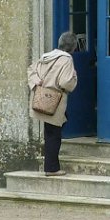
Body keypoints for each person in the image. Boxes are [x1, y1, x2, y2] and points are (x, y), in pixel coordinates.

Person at [28, 31, 80, 175]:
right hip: (55, 100)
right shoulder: (67, 59)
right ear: (73, 47)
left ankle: (51, 166)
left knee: (50, 131)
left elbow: (32, 70)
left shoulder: (47, 56)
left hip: (42, 97)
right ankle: (51, 168)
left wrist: (36, 83)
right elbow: (66, 82)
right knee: (54, 134)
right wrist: (74, 80)